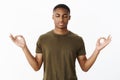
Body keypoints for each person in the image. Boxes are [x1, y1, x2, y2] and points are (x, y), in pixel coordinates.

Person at [10, 4, 111, 80]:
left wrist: (97, 50)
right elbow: (36, 66)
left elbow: (84, 67)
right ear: (53, 17)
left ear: (69, 17)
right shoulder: (43, 39)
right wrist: (24, 48)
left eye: (65, 16)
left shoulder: (77, 40)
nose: (61, 19)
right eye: (57, 16)